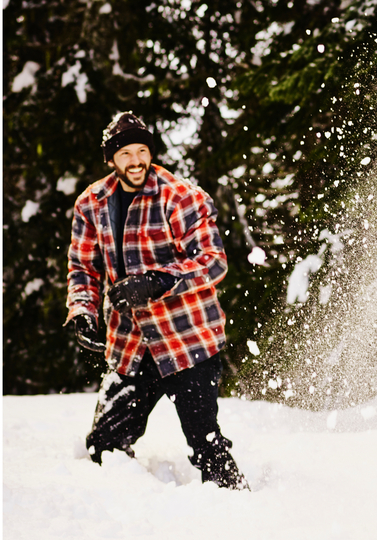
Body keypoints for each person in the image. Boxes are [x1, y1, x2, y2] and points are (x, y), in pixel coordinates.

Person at [64, 111, 248, 490]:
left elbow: (213, 262)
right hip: (131, 343)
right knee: (104, 448)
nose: (135, 161)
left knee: (206, 444)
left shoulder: (181, 197)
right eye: (125, 153)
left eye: (142, 151)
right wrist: (82, 309)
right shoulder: (92, 203)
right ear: (111, 159)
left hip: (187, 339)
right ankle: (115, 515)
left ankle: (240, 512)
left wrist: (159, 282)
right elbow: (82, 265)